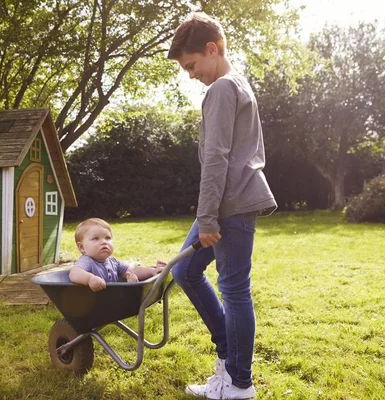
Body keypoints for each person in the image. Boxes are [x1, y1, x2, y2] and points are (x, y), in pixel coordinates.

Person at [167, 12, 277, 400]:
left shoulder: (221, 90)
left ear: (212, 49)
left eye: (192, 64)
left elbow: (216, 157)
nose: (190, 74)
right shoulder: (238, 84)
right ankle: (228, 357)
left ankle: (238, 383)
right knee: (185, 272)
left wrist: (207, 216)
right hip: (230, 204)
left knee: (233, 289)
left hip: (228, 206)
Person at [69, 218, 166, 292]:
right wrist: (90, 279)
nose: (104, 242)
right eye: (95, 238)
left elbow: (132, 270)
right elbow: (74, 273)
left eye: (107, 238)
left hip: (112, 299)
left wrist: (152, 271)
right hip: (93, 302)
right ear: (82, 247)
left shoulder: (113, 261)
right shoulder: (87, 261)